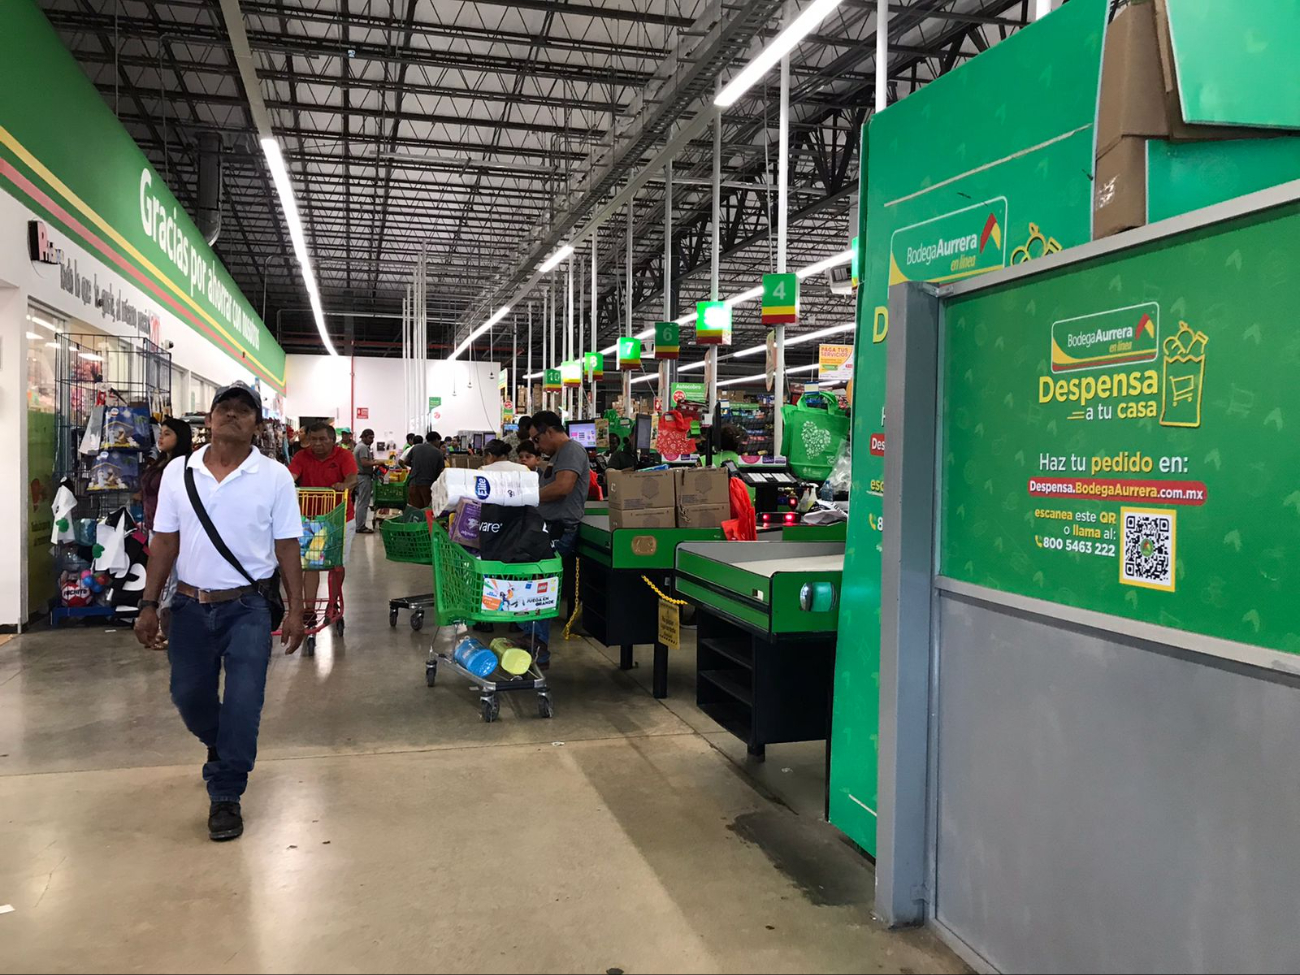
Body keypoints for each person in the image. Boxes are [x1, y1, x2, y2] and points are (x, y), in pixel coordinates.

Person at [134, 381, 305, 842]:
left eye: (243, 411)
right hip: (188, 606)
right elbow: (164, 542)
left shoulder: (274, 477)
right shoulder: (178, 472)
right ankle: (220, 744)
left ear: (257, 424)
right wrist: (149, 603)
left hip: (248, 607)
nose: (232, 415)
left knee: (245, 701)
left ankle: (226, 793)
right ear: (208, 420)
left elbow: (287, 546)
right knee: (189, 697)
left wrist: (296, 610)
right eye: (223, 409)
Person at [522, 411, 590, 668]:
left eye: (537, 439)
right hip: (546, 527)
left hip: (560, 530)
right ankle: (531, 637)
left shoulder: (571, 450)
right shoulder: (557, 455)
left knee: (540, 583)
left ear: (549, 431)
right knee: (530, 579)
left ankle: (538, 648)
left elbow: (563, 488)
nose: (537, 445)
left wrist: (527, 498)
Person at [289, 423, 359, 621]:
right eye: (313, 440)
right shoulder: (302, 457)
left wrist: (345, 485)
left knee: (336, 563)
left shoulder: (344, 456)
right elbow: (291, 475)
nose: (317, 444)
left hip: (341, 518)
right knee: (311, 563)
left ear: (332, 440)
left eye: (322, 439)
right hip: (311, 520)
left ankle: (332, 603)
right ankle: (309, 609)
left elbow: (353, 478)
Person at [137, 417, 194, 650]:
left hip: (174, 532)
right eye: (161, 432)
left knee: (172, 582)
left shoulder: (184, 466)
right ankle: (162, 628)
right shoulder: (160, 462)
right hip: (154, 528)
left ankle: (170, 631)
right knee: (160, 579)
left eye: (168, 433)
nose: (161, 437)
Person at [405, 430, 445, 509]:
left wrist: (415, 466)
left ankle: (413, 521)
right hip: (427, 486)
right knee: (426, 511)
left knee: (414, 510)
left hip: (413, 484)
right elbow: (441, 471)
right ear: (436, 439)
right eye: (439, 441)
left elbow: (405, 461)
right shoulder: (438, 453)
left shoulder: (416, 447)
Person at [353, 428, 379, 533]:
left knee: (361, 502)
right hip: (363, 477)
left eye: (373, 438)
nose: (372, 440)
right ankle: (360, 526)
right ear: (363, 437)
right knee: (363, 502)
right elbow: (364, 463)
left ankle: (360, 525)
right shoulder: (363, 447)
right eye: (370, 438)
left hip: (362, 476)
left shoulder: (360, 446)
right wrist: (378, 462)